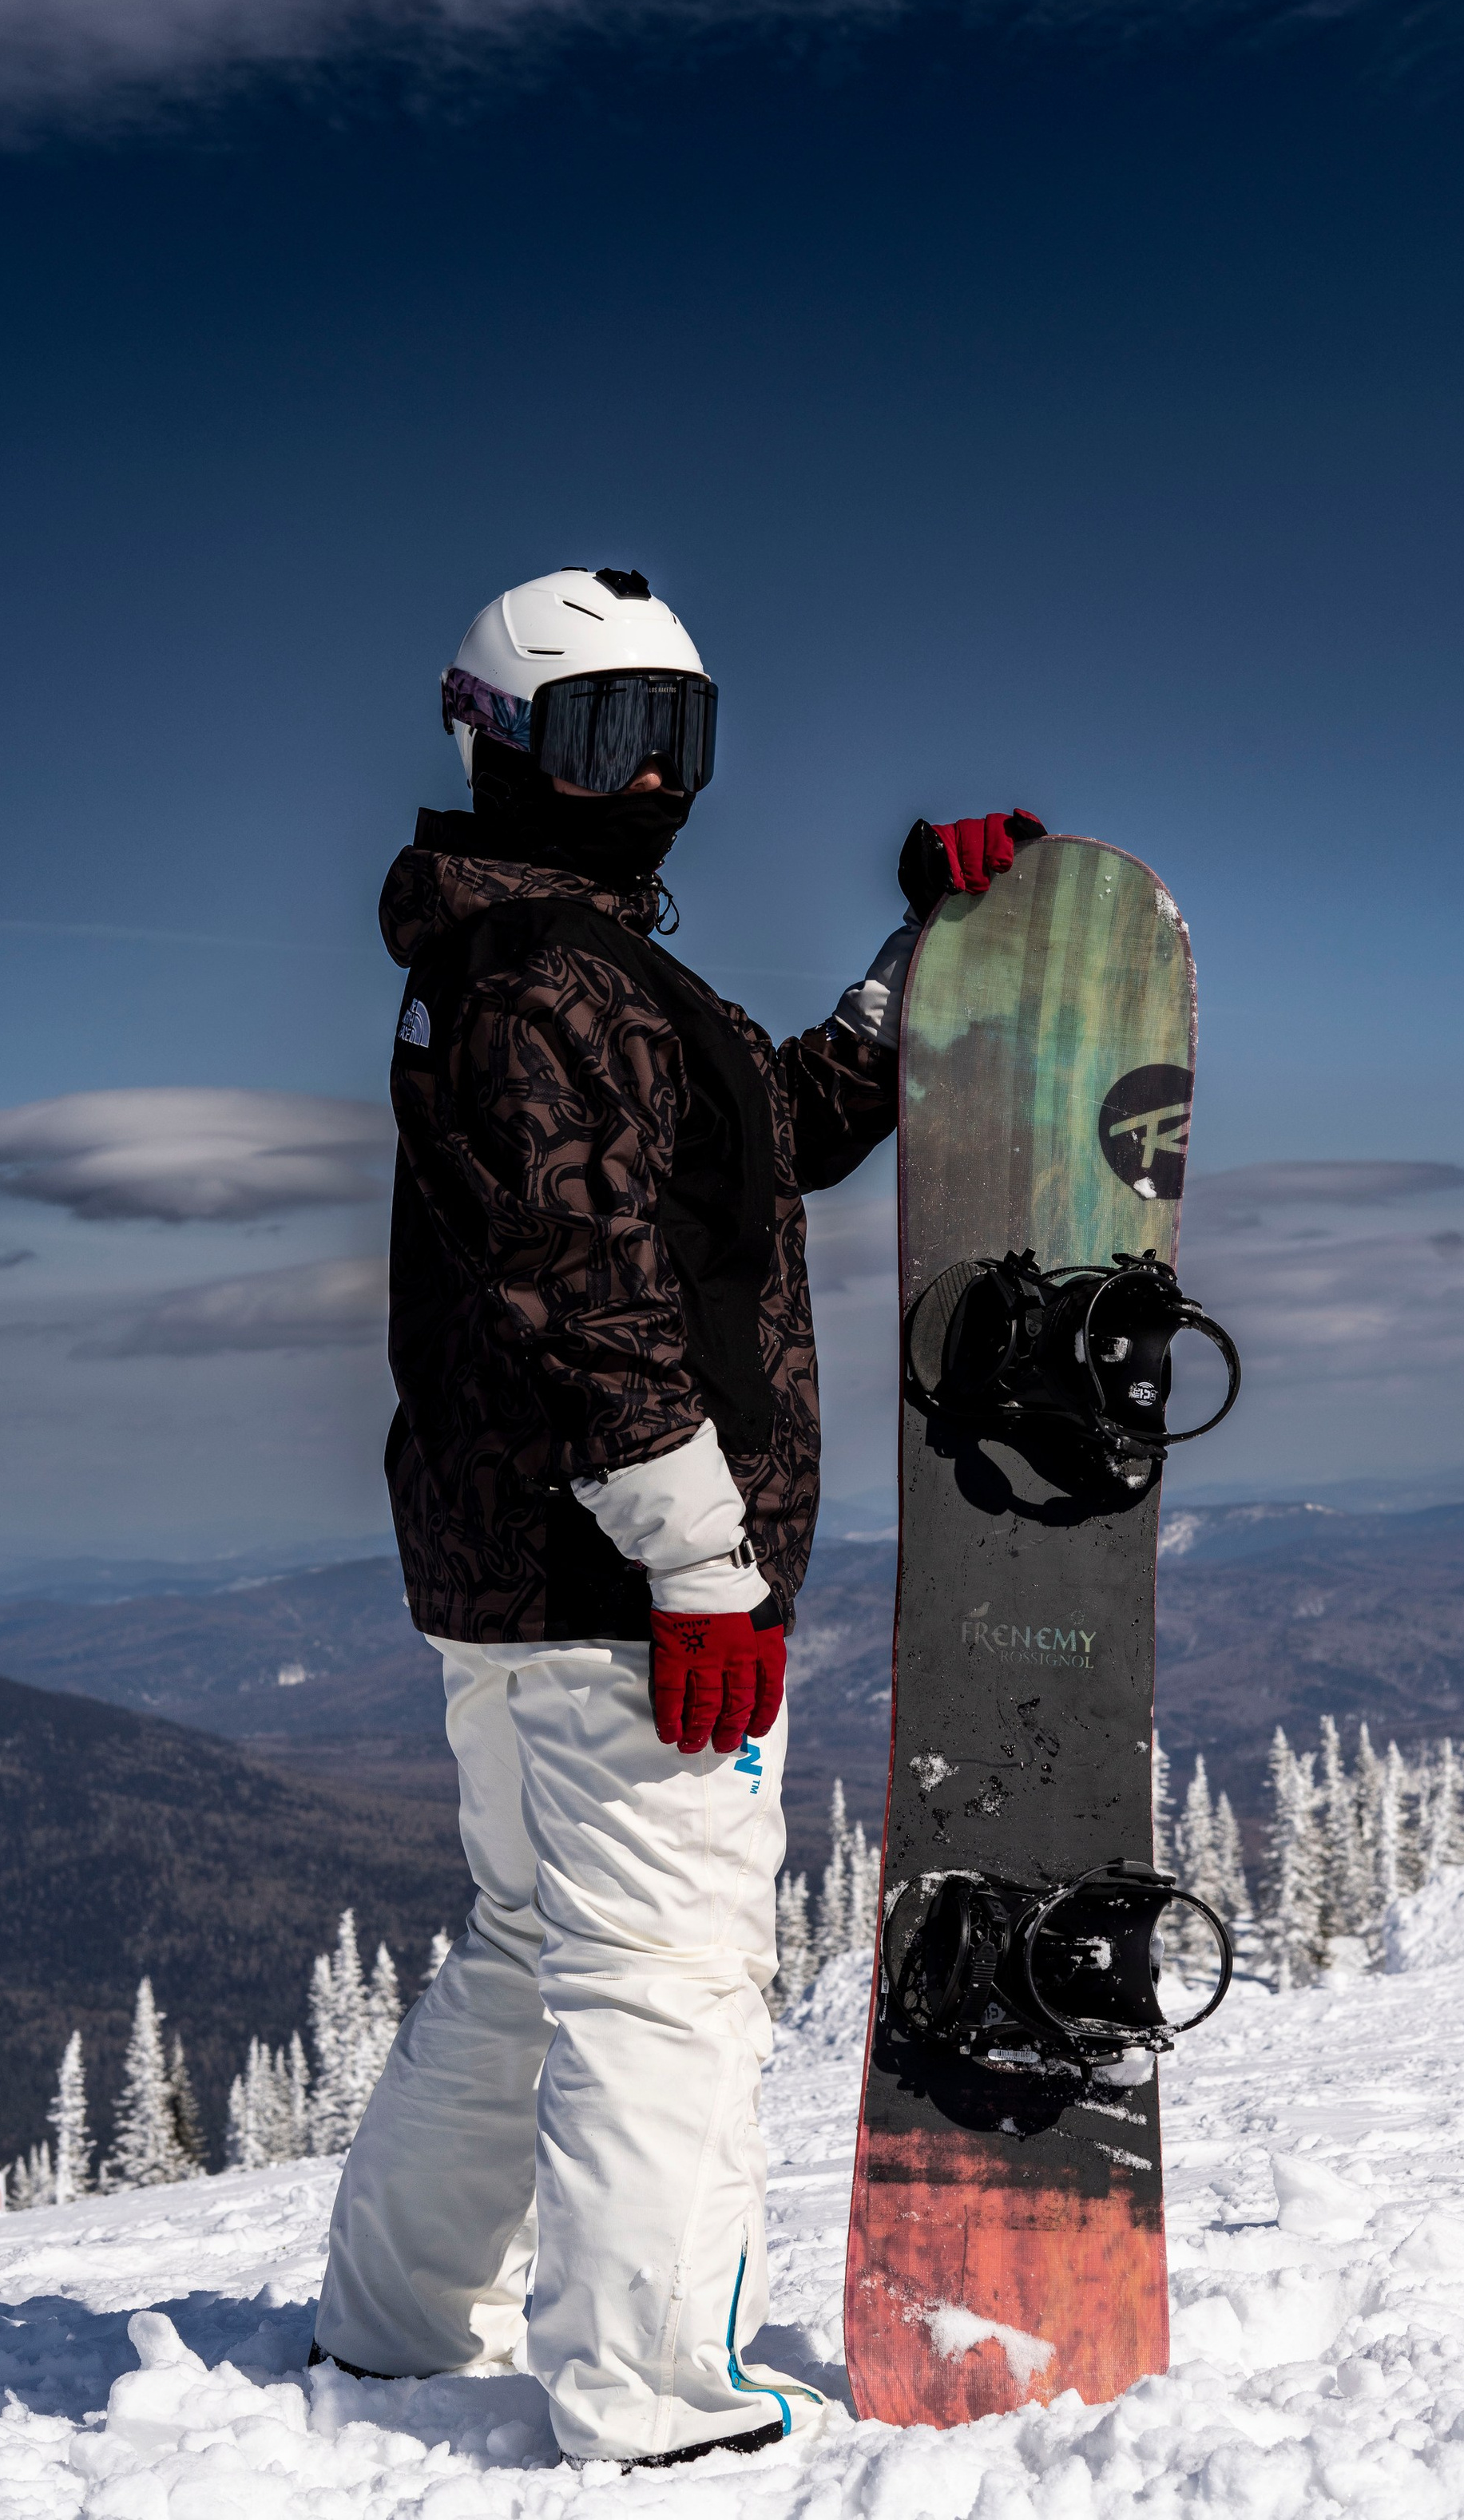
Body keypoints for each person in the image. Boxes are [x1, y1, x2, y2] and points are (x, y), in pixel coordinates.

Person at [310, 564, 1041, 2470]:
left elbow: (774, 1140)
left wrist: (913, 952)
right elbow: (589, 1295)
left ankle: (389, 2323)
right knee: (663, 1978)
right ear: (496, 741)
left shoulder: (562, 961)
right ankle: (653, 2399)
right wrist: (705, 1569)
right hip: (623, 1584)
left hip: (525, 1573)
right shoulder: (543, 981)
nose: (643, 780)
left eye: (675, 734)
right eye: (600, 733)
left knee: (534, 1939)